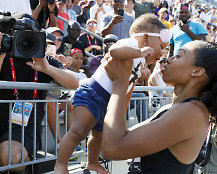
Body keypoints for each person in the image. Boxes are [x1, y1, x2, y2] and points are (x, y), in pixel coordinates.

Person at [101, 40, 217, 173]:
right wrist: (129, 78)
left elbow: (112, 148)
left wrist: (120, 83)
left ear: (197, 71)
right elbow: (119, 136)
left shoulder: (192, 113)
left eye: (179, 55)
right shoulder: (181, 109)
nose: (168, 59)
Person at [54, 14, 169, 174]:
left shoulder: (141, 62)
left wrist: (121, 112)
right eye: (162, 47)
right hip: (92, 93)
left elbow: (128, 88)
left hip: (108, 102)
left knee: (98, 135)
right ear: (146, 38)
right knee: (78, 131)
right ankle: (60, 164)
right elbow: (114, 51)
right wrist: (139, 51)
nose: (163, 53)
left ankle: (92, 161)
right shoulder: (131, 44)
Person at [0, 13, 78, 173]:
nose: (24, 41)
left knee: (12, 156)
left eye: (29, 36)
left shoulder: (44, 59)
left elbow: (74, 82)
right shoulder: (3, 55)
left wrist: (47, 68)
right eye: (19, 35)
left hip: (24, 125)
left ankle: (28, 168)